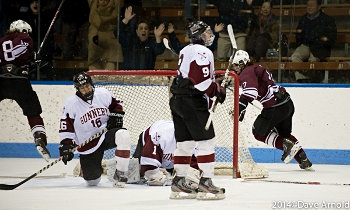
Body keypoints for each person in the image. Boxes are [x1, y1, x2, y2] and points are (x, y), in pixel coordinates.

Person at [169, 21, 226, 200]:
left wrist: (214, 80)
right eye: (207, 33)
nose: (210, 35)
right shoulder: (203, 51)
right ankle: (206, 181)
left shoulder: (186, 50)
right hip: (193, 101)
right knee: (207, 141)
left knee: (185, 144)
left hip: (178, 100)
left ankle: (179, 180)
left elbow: (195, 74)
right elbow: (199, 80)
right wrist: (217, 90)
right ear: (199, 35)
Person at [232, 50, 312, 170]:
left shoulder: (247, 72)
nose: (234, 68)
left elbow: (251, 92)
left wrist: (240, 108)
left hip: (275, 107)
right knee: (284, 135)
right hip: (287, 103)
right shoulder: (254, 69)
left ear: (242, 63)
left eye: (236, 65)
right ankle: (303, 159)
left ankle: (285, 145)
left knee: (258, 132)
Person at [58, 72, 131, 187]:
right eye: (82, 88)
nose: (86, 90)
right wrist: (66, 144)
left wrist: (116, 115)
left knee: (123, 135)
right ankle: (83, 165)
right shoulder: (71, 103)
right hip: (88, 144)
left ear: (91, 84)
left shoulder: (103, 94)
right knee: (92, 181)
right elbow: (66, 126)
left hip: (105, 134)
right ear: (77, 89)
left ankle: (121, 173)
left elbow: (116, 104)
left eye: (87, 86)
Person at [0, 19, 51, 161]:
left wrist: (30, 60)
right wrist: (33, 58)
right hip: (19, 81)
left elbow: (8, 57)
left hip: (1, 79)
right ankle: (39, 137)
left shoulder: (2, 40)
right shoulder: (25, 38)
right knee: (33, 113)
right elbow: (22, 55)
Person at [132, 120, 200, 186]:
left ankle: (166, 169)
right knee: (134, 174)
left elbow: (194, 170)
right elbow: (148, 168)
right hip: (148, 141)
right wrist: (161, 177)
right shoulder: (161, 134)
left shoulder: (195, 141)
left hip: (168, 157)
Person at [291, 0, 337, 83]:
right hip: (305, 45)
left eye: (312, 5)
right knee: (295, 57)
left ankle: (311, 80)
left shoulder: (327, 20)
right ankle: (302, 80)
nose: (309, 7)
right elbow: (298, 34)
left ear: (319, 7)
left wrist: (321, 41)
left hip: (319, 47)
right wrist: (300, 42)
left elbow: (331, 38)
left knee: (313, 61)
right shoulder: (303, 19)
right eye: (308, 5)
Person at [115, 5, 165, 70]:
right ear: (137, 31)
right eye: (141, 28)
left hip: (146, 77)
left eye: (146, 28)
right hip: (130, 76)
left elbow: (159, 51)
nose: (143, 30)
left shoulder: (152, 42)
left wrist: (158, 37)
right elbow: (117, 32)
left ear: (149, 32)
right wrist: (126, 20)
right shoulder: (129, 41)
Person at [88, 0, 124, 70]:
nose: (104, 1)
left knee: (109, 76)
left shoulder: (116, 5)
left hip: (111, 47)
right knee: (94, 76)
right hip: (95, 50)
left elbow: (115, 16)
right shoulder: (93, 5)